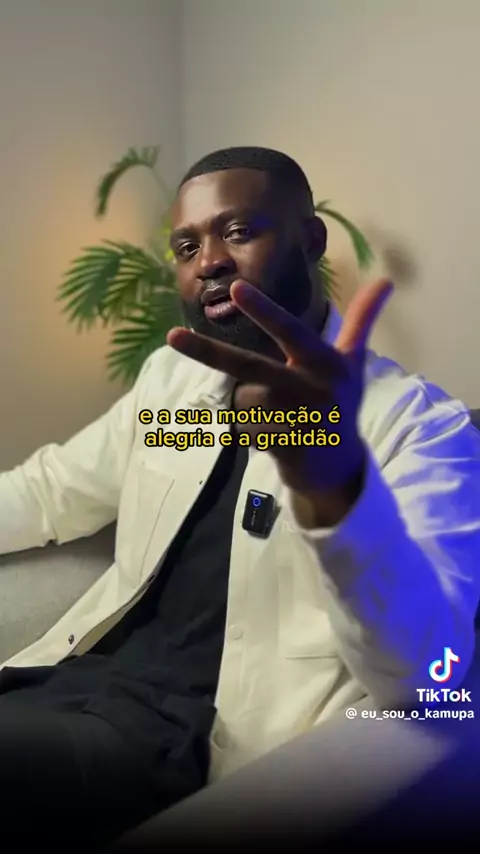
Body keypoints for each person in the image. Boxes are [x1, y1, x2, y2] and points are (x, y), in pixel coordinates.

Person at [0, 146, 479, 850]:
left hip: (179, 735)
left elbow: (433, 676)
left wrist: (334, 485)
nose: (209, 262)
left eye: (238, 231)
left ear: (311, 240)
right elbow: (52, 491)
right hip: (75, 678)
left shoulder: (420, 428)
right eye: (187, 246)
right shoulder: (174, 382)